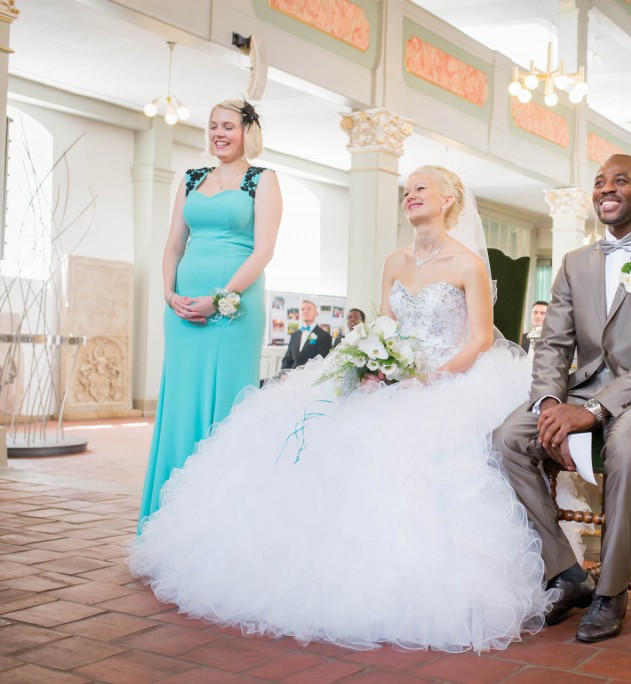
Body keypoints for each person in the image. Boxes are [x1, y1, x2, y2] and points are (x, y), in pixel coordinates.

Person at [130, 165, 552, 653]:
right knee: (315, 434)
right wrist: (376, 365)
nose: (409, 196)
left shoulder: (466, 265)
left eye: (421, 188)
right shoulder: (395, 262)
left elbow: (479, 338)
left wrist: (427, 379)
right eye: (406, 190)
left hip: (448, 378)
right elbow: (385, 328)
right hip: (394, 376)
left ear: (449, 199)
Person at [494, 154, 631, 644]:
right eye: (599, 182)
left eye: (620, 181)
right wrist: (548, 404)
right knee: (507, 438)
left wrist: (591, 411)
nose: (606, 189)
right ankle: (568, 574)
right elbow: (553, 345)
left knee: (627, 446)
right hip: (583, 388)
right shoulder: (574, 263)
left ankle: (611, 592)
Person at [138, 99, 282, 532]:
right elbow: (173, 244)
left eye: (228, 126)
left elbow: (264, 251)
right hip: (182, 309)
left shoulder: (264, 179)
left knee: (225, 404)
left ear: (247, 132)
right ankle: (168, 519)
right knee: (181, 403)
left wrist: (221, 298)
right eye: (213, 125)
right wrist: (168, 293)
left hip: (234, 312)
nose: (218, 133)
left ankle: (218, 522)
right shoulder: (192, 178)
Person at [281, 300, 331, 369]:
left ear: (316, 313)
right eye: (303, 309)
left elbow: (321, 362)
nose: (305, 311)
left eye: (309, 309)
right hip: (290, 375)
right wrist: (283, 374)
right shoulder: (294, 335)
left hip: (309, 376)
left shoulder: (325, 336)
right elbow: (287, 358)